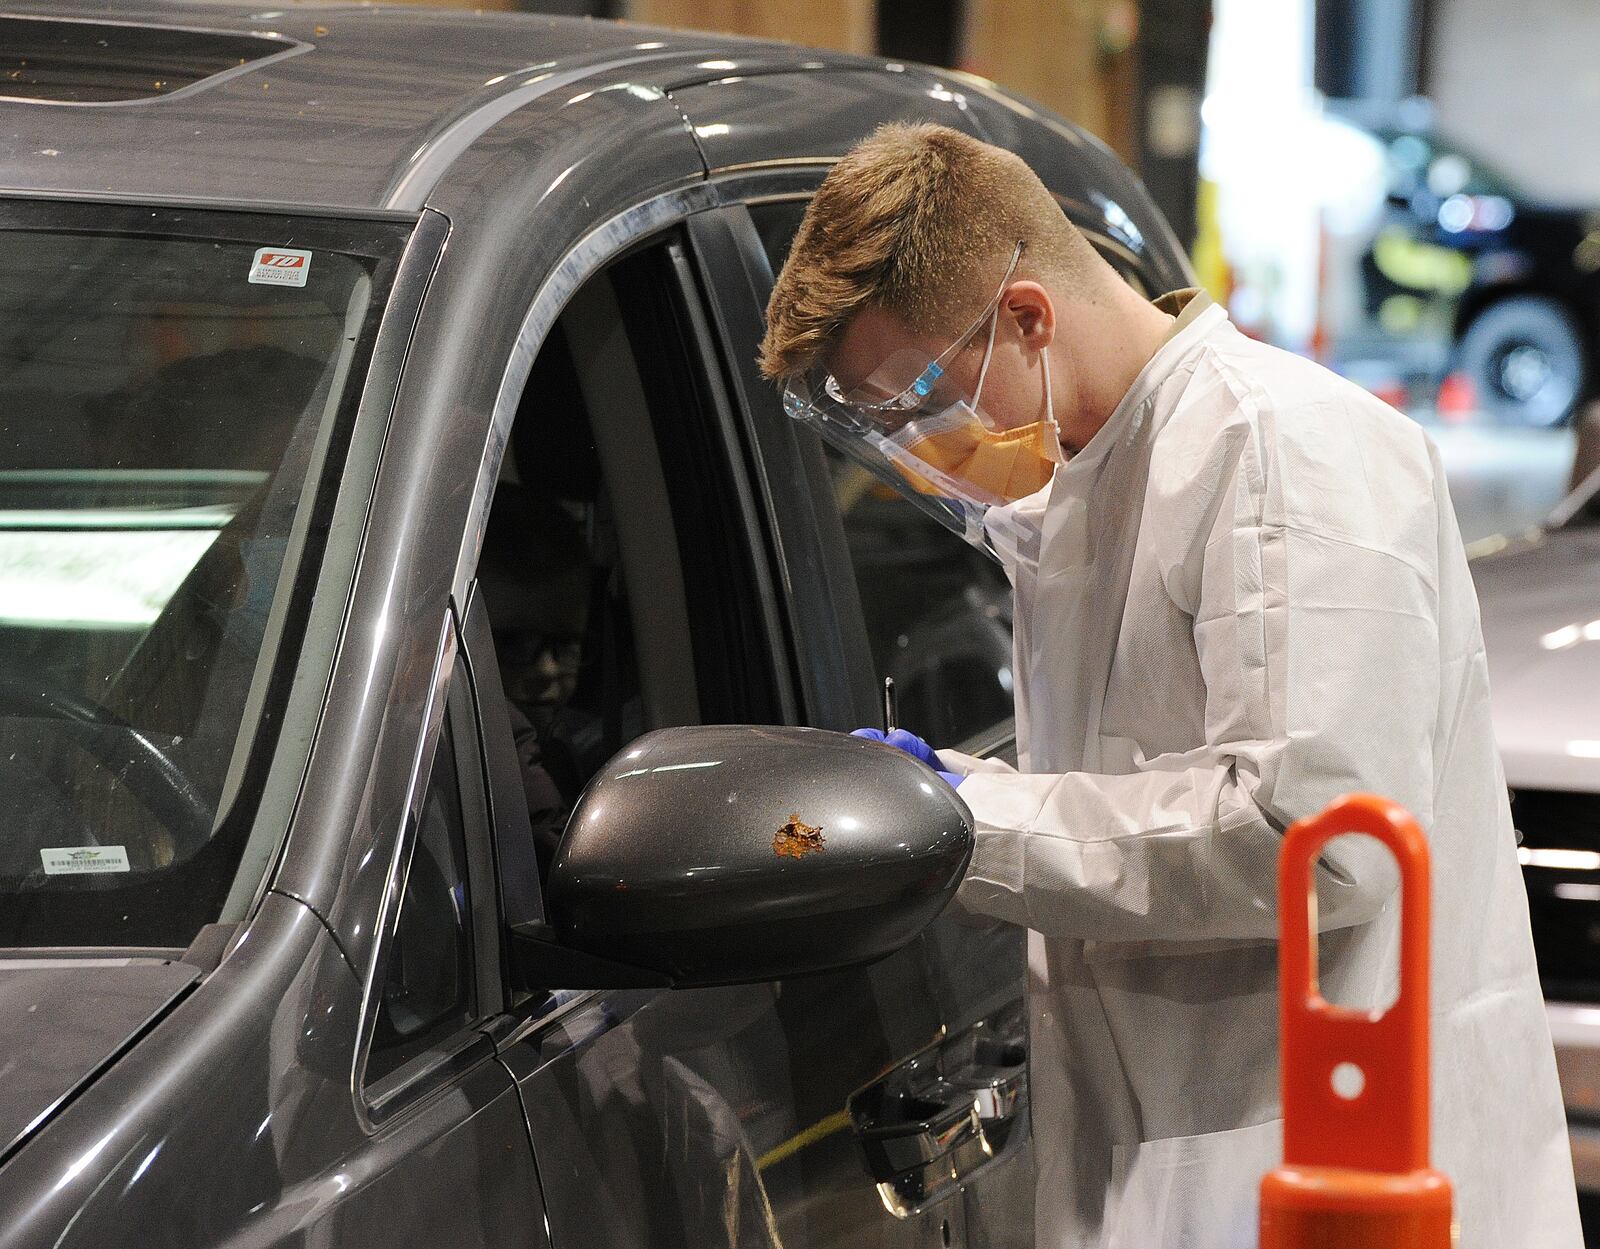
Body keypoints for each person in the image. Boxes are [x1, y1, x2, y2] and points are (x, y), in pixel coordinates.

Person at [759, 122, 1579, 1249]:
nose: (914, 452)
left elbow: (1313, 833)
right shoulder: (1089, 488)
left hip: (1320, 1164)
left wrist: (964, 818)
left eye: (915, 405)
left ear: (1028, 317)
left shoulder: (1283, 452)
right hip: (1177, 1155)